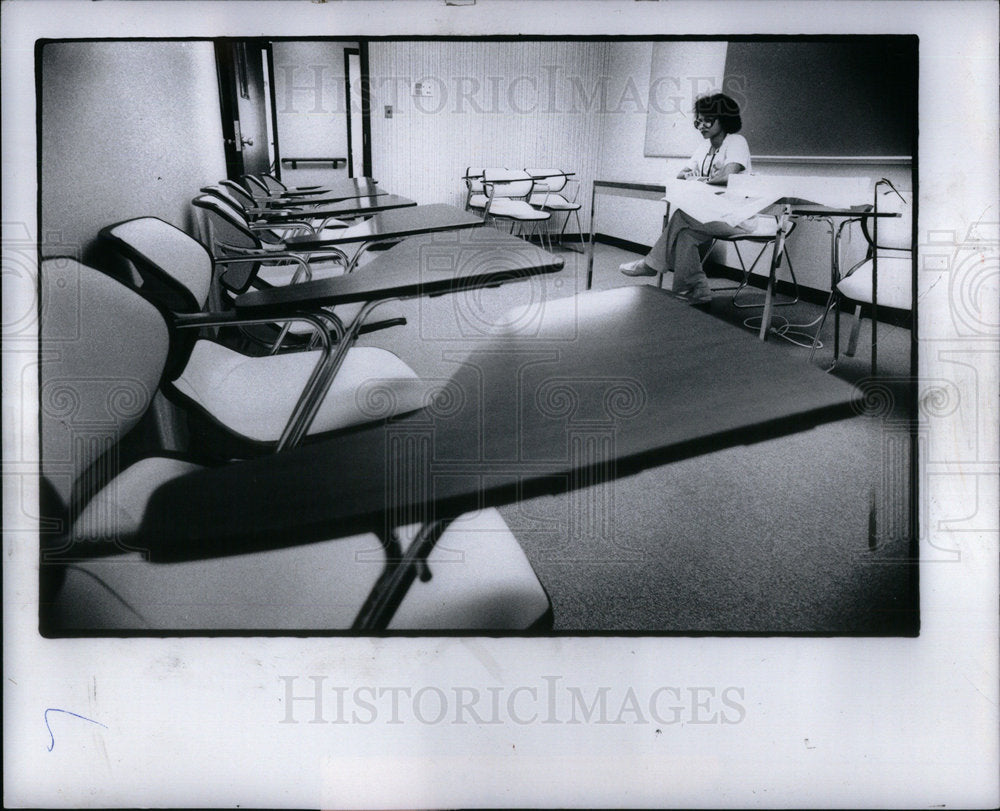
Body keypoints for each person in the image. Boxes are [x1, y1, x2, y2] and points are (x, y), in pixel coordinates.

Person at [620, 93, 752, 305]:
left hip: (735, 217)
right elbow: (682, 174)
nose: (701, 126)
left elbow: (728, 175)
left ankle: (652, 264)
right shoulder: (704, 147)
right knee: (686, 237)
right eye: (697, 121)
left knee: (681, 216)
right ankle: (696, 291)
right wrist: (704, 178)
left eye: (707, 120)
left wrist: (699, 179)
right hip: (707, 215)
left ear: (724, 119)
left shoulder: (736, 141)